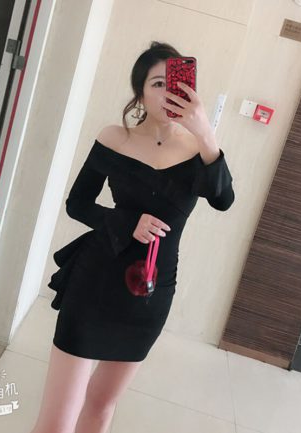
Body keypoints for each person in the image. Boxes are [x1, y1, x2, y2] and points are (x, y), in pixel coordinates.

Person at [30, 41, 235, 433]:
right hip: (94, 283)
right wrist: (127, 222)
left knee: (100, 408)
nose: (168, 92)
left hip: (149, 296)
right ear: (139, 92)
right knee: (56, 422)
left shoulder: (200, 151)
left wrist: (205, 132)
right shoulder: (113, 138)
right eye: (157, 84)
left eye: (175, 84)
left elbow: (223, 200)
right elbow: (77, 204)